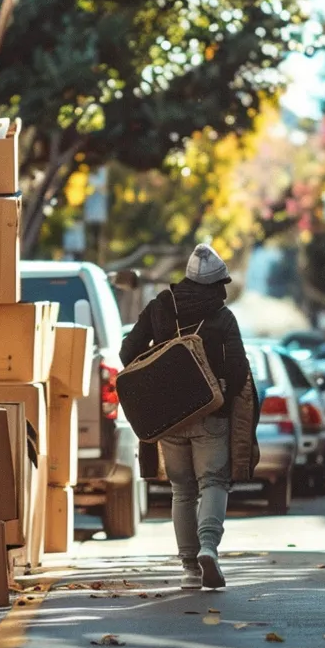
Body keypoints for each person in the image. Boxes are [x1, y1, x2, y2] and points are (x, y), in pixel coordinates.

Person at [119, 244, 252, 590]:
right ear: (217, 284)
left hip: (169, 417)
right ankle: (209, 547)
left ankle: (190, 569)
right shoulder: (223, 317)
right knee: (214, 482)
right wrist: (221, 397)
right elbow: (239, 369)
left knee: (182, 490)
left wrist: (157, 382)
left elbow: (127, 352)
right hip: (211, 412)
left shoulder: (160, 307)